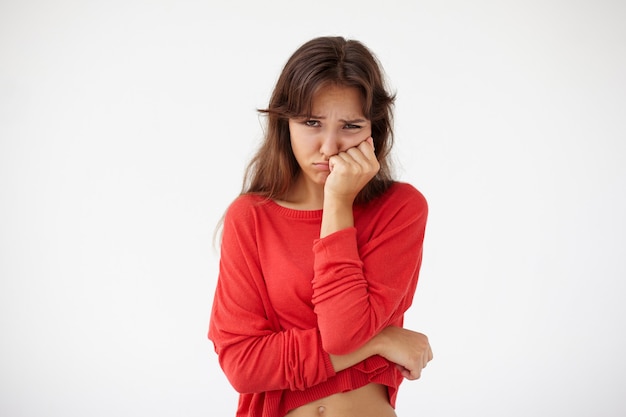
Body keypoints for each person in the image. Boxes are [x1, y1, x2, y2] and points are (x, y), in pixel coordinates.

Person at [208, 36, 433, 417]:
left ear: (373, 131)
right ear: (285, 124)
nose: (329, 147)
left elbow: (343, 330)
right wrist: (379, 342)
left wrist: (338, 202)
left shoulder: (400, 210)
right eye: (311, 122)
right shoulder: (250, 218)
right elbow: (244, 365)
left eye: (350, 125)